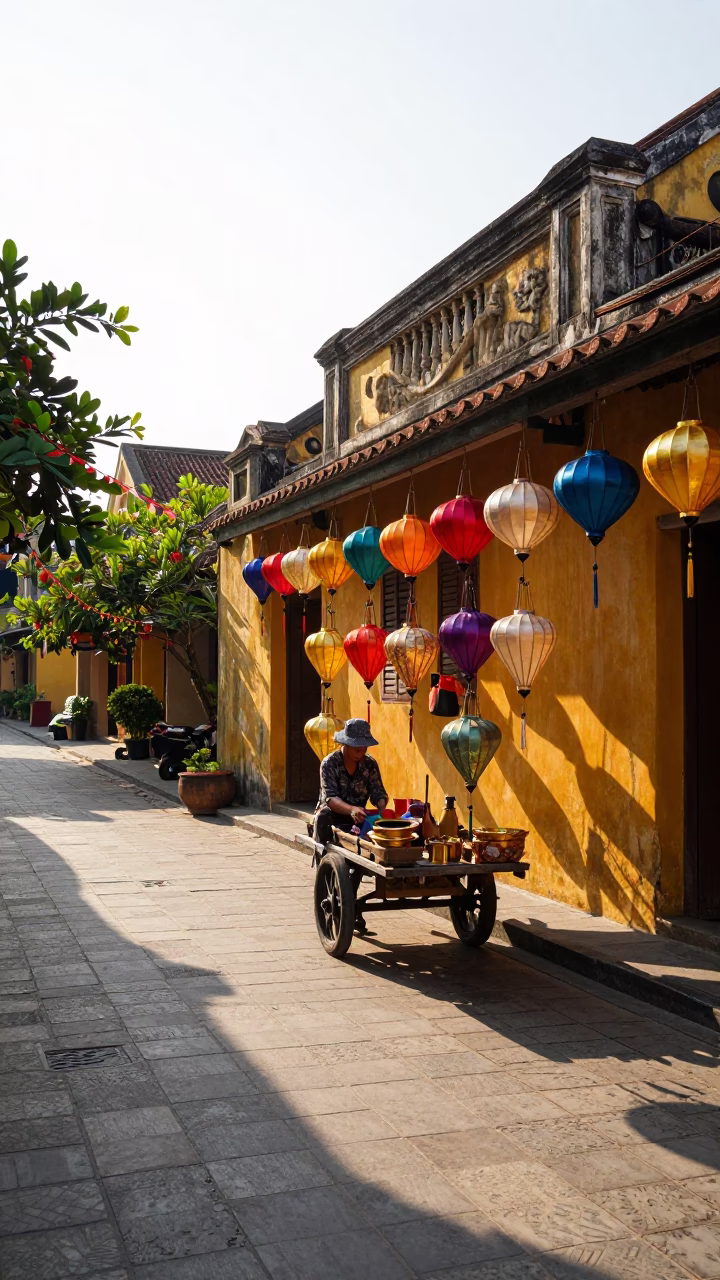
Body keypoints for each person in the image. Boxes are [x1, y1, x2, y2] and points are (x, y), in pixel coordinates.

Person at [313, 718, 389, 846]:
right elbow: (330, 799)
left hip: (359, 817)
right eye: (355, 747)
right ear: (345, 744)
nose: (359, 752)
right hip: (331, 817)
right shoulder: (329, 763)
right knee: (323, 816)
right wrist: (351, 809)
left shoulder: (370, 764)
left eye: (363, 748)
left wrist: (382, 805)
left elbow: (377, 791)